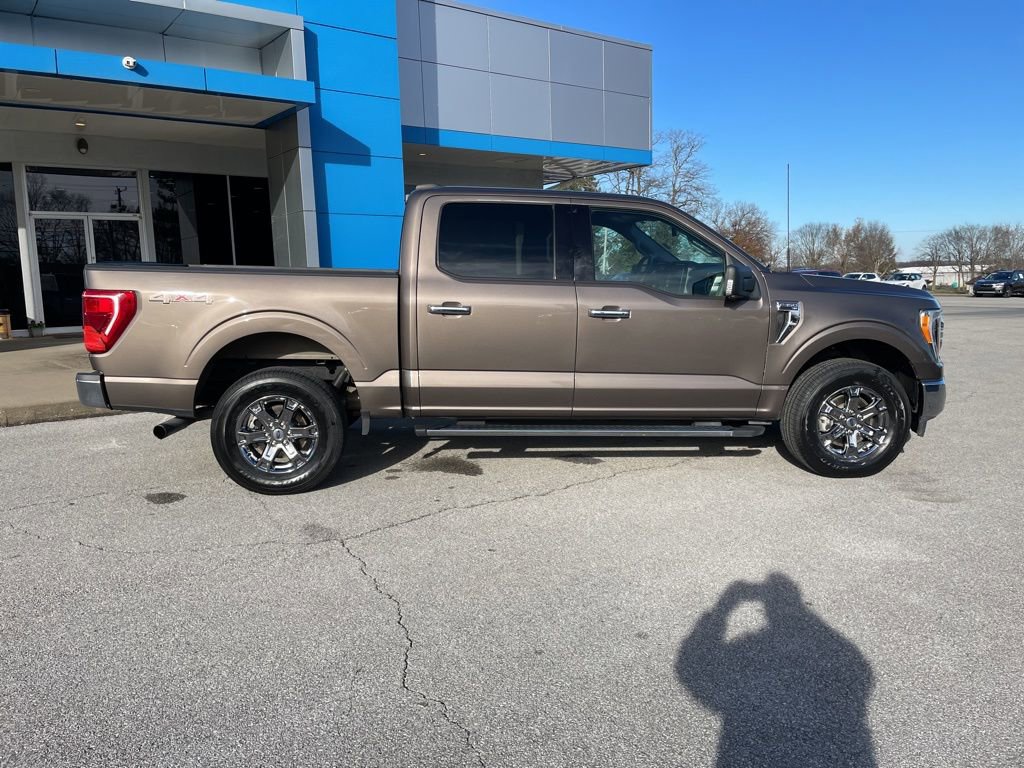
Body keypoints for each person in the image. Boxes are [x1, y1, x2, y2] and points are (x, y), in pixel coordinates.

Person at [676, 573, 876, 767]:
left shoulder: (752, 649)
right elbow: (859, 678)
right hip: (845, 750)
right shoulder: (840, 650)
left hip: (749, 748)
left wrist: (723, 608)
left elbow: (693, 666)